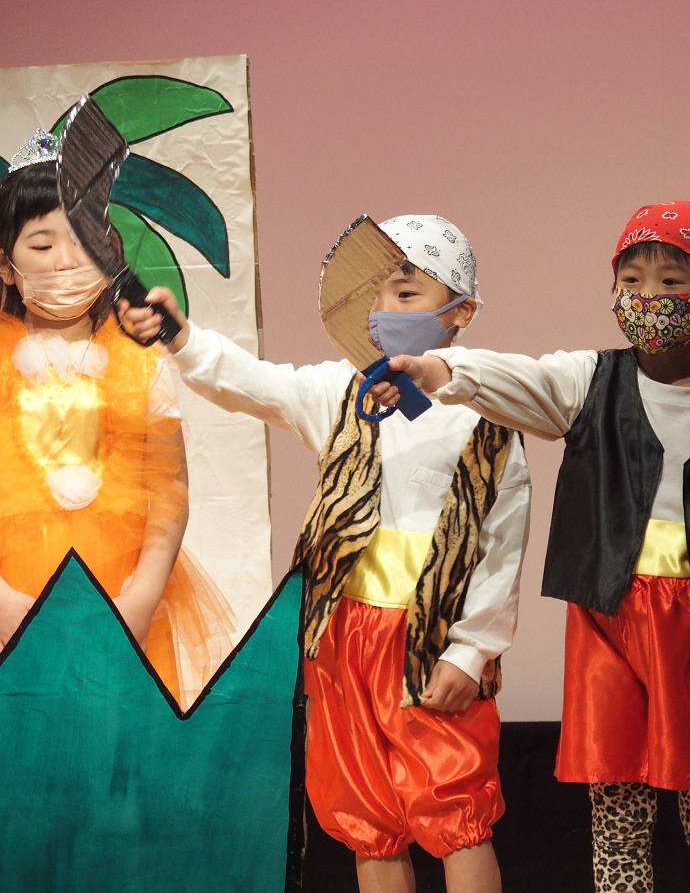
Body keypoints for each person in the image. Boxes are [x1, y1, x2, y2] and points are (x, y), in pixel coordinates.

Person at [378, 202, 690, 892]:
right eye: (631, 281)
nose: (647, 297)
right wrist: (440, 372)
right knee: (616, 803)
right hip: (607, 618)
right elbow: (521, 377)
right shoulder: (588, 379)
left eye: (670, 282)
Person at [123, 215, 532, 893]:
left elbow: (501, 545)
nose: (384, 306)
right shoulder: (341, 392)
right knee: (366, 810)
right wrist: (181, 334)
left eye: (407, 292)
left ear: (460, 312)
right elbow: (252, 382)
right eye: (377, 292)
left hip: (428, 638)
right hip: (342, 635)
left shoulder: (486, 415)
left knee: (453, 804)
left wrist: (471, 650)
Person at [0, 129, 231, 709]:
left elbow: (170, 488)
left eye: (83, 237)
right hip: (7, 594)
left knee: (113, 741)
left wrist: (141, 599)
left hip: (120, 594)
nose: (66, 259)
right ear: (6, 266)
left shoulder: (140, 359)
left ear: (109, 246)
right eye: (42, 244)